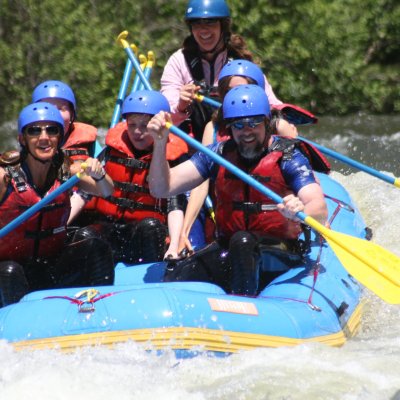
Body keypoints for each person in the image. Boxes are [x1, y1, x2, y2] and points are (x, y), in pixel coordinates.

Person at [147, 84, 329, 296]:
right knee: (177, 275)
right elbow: (161, 188)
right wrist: (159, 144)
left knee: (243, 241)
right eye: (239, 125)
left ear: (267, 123)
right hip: (231, 247)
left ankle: (245, 309)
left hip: (280, 251)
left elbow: (319, 207)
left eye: (254, 123)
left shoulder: (288, 156)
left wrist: (300, 212)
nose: (246, 132)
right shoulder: (217, 154)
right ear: (230, 128)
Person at [0, 102, 115, 307]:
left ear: (59, 138)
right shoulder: (4, 177)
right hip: (9, 269)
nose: (44, 137)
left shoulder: (69, 170)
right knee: (10, 271)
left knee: (94, 247)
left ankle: (100, 310)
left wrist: (99, 174)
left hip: (48, 267)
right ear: (22, 139)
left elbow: (106, 191)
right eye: (34, 131)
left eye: (51, 130)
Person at [73, 90, 190, 263]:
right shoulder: (112, 150)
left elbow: (175, 206)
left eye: (144, 126)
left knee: (150, 227)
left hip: (144, 235)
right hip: (111, 228)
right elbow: (84, 194)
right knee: (85, 235)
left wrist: (174, 245)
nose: (137, 131)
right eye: (132, 124)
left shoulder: (172, 157)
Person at [160, 0, 285, 143]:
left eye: (210, 22)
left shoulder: (242, 63)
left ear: (223, 27)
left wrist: (281, 123)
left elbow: (272, 105)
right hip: (192, 147)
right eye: (197, 24)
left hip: (236, 145)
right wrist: (181, 106)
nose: (203, 30)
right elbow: (165, 116)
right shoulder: (179, 61)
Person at [32, 80, 99, 224]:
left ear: (72, 115)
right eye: (47, 107)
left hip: (80, 217)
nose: (54, 114)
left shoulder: (91, 145)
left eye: (61, 109)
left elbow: (101, 186)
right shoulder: (28, 142)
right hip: (41, 218)